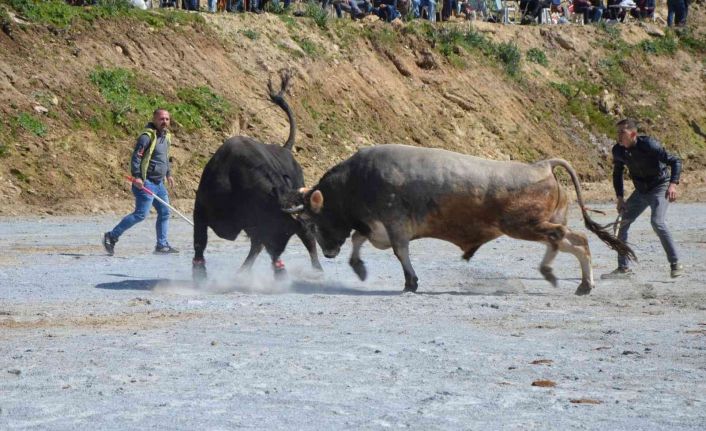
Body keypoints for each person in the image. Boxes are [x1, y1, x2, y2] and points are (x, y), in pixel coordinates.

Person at [602, 119, 683, 279]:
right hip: (640, 191)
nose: (618, 136)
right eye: (617, 132)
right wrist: (620, 198)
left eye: (622, 132)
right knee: (622, 224)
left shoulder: (649, 145)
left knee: (657, 222)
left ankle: (675, 263)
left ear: (633, 134)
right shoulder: (618, 151)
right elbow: (617, 173)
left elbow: (675, 161)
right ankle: (623, 269)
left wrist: (673, 185)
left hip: (660, 186)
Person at [103, 109, 179, 256]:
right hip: (146, 183)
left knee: (164, 212)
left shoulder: (166, 136)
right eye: (161, 119)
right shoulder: (146, 137)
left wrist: (168, 174)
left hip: (159, 183)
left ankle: (161, 245)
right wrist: (137, 176)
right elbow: (136, 158)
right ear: (154, 119)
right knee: (140, 214)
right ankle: (111, 236)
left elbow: (165, 156)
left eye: (167, 119)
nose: (165, 122)